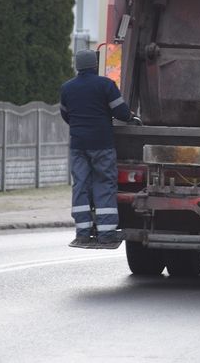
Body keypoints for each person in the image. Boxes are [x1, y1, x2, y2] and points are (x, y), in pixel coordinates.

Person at [60, 49, 134, 249]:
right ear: (95, 65)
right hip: (102, 144)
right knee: (104, 184)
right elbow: (121, 111)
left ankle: (82, 234)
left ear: (77, 66)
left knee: (80, 185)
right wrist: (131, 117)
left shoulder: (67, 88)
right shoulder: (105, 85)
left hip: (78, 145)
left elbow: (65, 114)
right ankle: (106, 234)